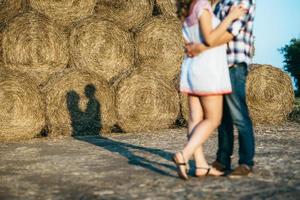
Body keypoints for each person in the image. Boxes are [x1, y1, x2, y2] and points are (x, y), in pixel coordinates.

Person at [173, 0, 247, 180]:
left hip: (192, 68)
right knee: (214, 118)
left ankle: (200, 165)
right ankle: (184, 154)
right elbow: (210, 38)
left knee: (195, 118)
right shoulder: (202, 6)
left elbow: (192, 42)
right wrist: (231, 17)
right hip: (207, 69)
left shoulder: (187, 10)